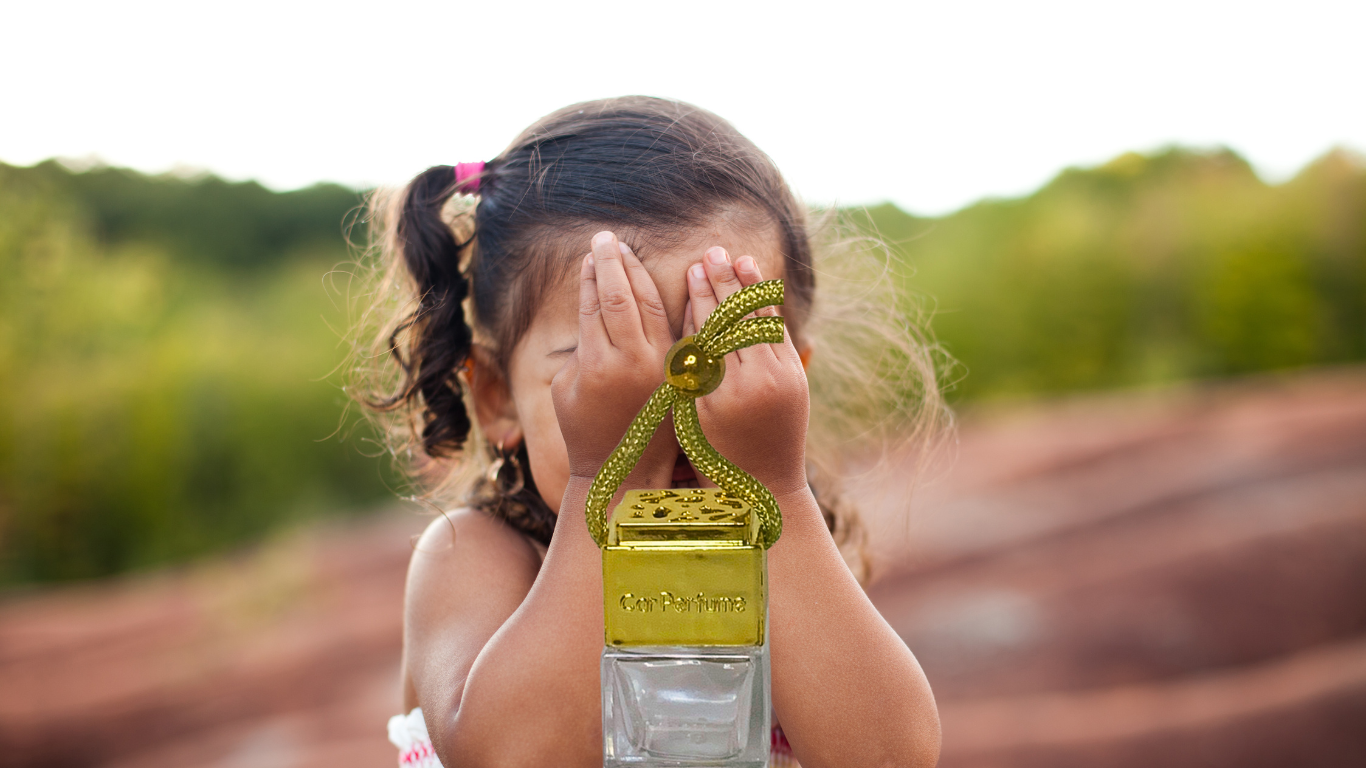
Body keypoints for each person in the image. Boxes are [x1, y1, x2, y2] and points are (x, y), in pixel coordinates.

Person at [359, 96, 945, 768]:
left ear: (790, 385)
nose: (674, 412)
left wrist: (774, 493)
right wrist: (613, 481)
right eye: (609, 372)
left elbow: (890, 758)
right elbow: (514, 756)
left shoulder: (781, 552)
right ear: (498, 398)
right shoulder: (475, 557)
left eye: (723, 363)